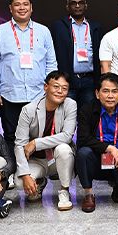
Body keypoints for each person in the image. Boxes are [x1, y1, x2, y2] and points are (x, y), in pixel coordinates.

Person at [0, 0, 57, 157]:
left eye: (25, 4)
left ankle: (36, 170)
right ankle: (15, 168)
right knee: (12, 136)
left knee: (38, 135)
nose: (21, 8)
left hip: (38, 95)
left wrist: (51, 90)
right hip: (9, 95)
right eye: (17, 4)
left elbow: (51, 62)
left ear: (31, 7)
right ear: (10, 8)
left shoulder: (43, 31)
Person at [13, 71, 79, 211]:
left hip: (58, 159)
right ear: (45, 87)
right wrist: (25, 174)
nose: (60, 91)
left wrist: (36, 143)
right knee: (19, 182)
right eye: (56, 86)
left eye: (64, 88)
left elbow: (67, 136)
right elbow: (19, 144)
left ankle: (64, 190)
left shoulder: (70, 105)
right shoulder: (28, 110)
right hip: (37, 160)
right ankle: (40, 181)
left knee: (63, 148)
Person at [75, 72, 118, 212]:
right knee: (83, 153)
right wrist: (110, 148)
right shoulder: (87, 110)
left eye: (114, 91)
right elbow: (83, 139)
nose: (110, 96)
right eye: (106, 91)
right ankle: (88, 194)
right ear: (97, 94)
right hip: (96, 160)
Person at [49, 0, 105, 112]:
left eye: (81, 3)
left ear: (86, 5)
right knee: (65, 114)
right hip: (67, 80)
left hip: (89, 80)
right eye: (73, 3)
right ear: (67, 7)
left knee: (88, 115)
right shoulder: (58, 26)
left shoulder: (95, 27)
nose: (77, 6)